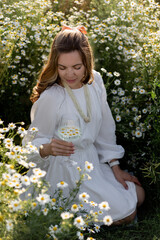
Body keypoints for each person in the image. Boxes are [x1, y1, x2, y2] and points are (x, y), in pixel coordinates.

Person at [23, 26, 145, 225]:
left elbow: (105, 128)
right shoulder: (53, 96)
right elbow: (31, 143)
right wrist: (47, 149)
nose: (70, 74)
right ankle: (69, 217)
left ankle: (82, 211)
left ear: (87, 62)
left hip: (90, 163)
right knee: (127, 214)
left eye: (77, 67)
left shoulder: (95, 81)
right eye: (62, 68)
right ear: (55, 65)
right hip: (63, 170)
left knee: (139, 195)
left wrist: (115, 166)